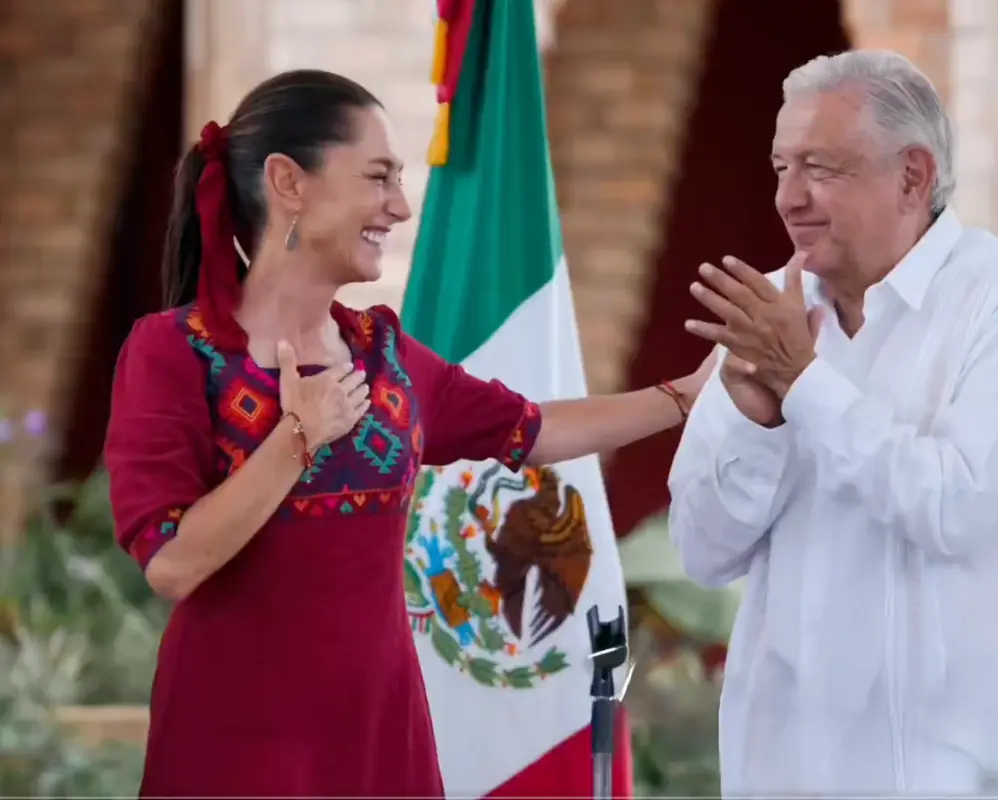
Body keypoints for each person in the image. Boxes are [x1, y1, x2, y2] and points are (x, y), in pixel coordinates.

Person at [104, 69, 712, 799]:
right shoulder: (173, 352)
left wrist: (688, 397)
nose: (397, 206)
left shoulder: (383, 354)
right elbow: (171, 562)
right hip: (239, 739)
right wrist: (298, 437)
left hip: (379, 735)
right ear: (288, 181)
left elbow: (535, 427)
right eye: (377, 177)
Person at [668, 50, 998, 796]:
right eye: (781, 166)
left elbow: (954, 506)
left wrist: (803, 385)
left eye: (821, 167)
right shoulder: (773, 312)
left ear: (913, 175)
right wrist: (756, 426)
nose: (788, 197)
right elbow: (701, 552)